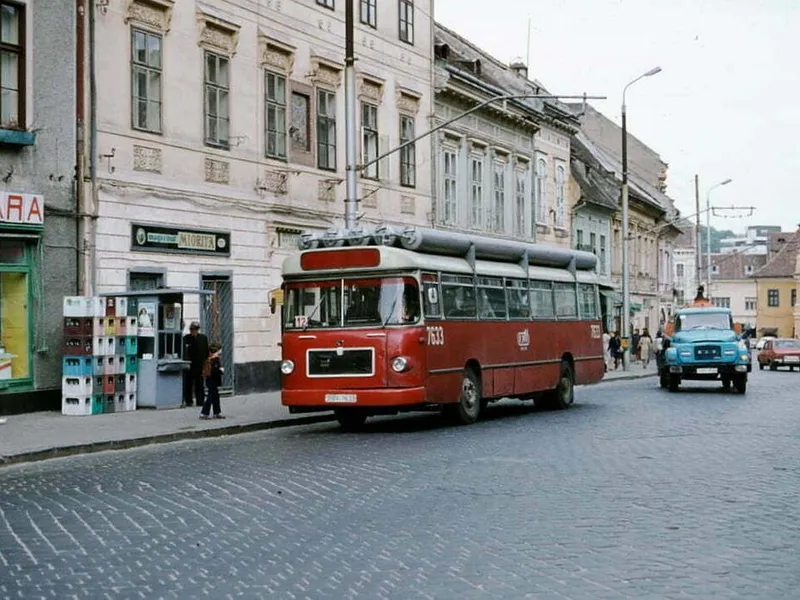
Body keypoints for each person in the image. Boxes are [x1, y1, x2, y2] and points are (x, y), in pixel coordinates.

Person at [183, 321, 209, 407]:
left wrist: (205, 363)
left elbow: (205, 351)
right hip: (190, 364)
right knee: (188, 383)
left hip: (199, 364)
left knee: (199, 383)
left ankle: (200, 401)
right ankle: (189, 400)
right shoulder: (186, 338)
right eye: (192, 329)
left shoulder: (203, 338)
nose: (193, 331)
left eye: (195, 329)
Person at [200, 342, 225, 419]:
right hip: (212, 381)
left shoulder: (212, 358)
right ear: (216, 350)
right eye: (219, 349)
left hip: (212, 380)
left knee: (216, 396)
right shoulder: (213, 359)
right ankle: (204, 413)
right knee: (210, 397)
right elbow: (214, 370)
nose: (220, 351)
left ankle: (217, 412)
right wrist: (220, 370)